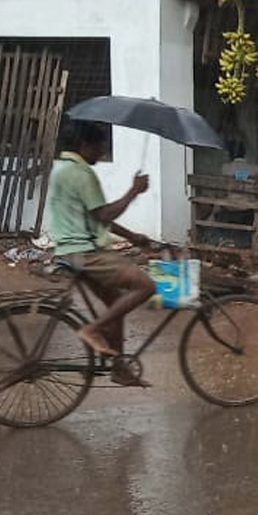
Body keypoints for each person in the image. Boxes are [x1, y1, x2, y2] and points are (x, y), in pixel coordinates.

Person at [47, 121, 156, 382]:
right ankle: (92, 330)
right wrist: (134, 191)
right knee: (146, 286)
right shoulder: (81, 174)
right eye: (99, 147)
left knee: (116, 303)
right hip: (86, 252)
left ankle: (119, 368)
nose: (103, 152)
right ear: (85, 146)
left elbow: (95, 216)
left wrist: (132, 237)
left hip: (69, 250)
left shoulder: (62, 168)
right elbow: (104, 213)